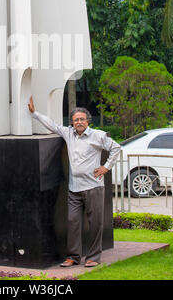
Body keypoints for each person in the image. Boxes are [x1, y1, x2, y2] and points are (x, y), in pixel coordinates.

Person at [28, 96, 121, 268]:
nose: (78, 122)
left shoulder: (97, 136)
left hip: (94, 187)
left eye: (81, 119)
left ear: (88, 121)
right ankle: (73, 257)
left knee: (95, 224)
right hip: (74, 189)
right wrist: (35, 114)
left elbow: (116, 148)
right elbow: (52, 125)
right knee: (73, 223)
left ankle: (93, 257)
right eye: (75, 119)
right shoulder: (68, 134)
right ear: (72, 122)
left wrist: (106, 167)